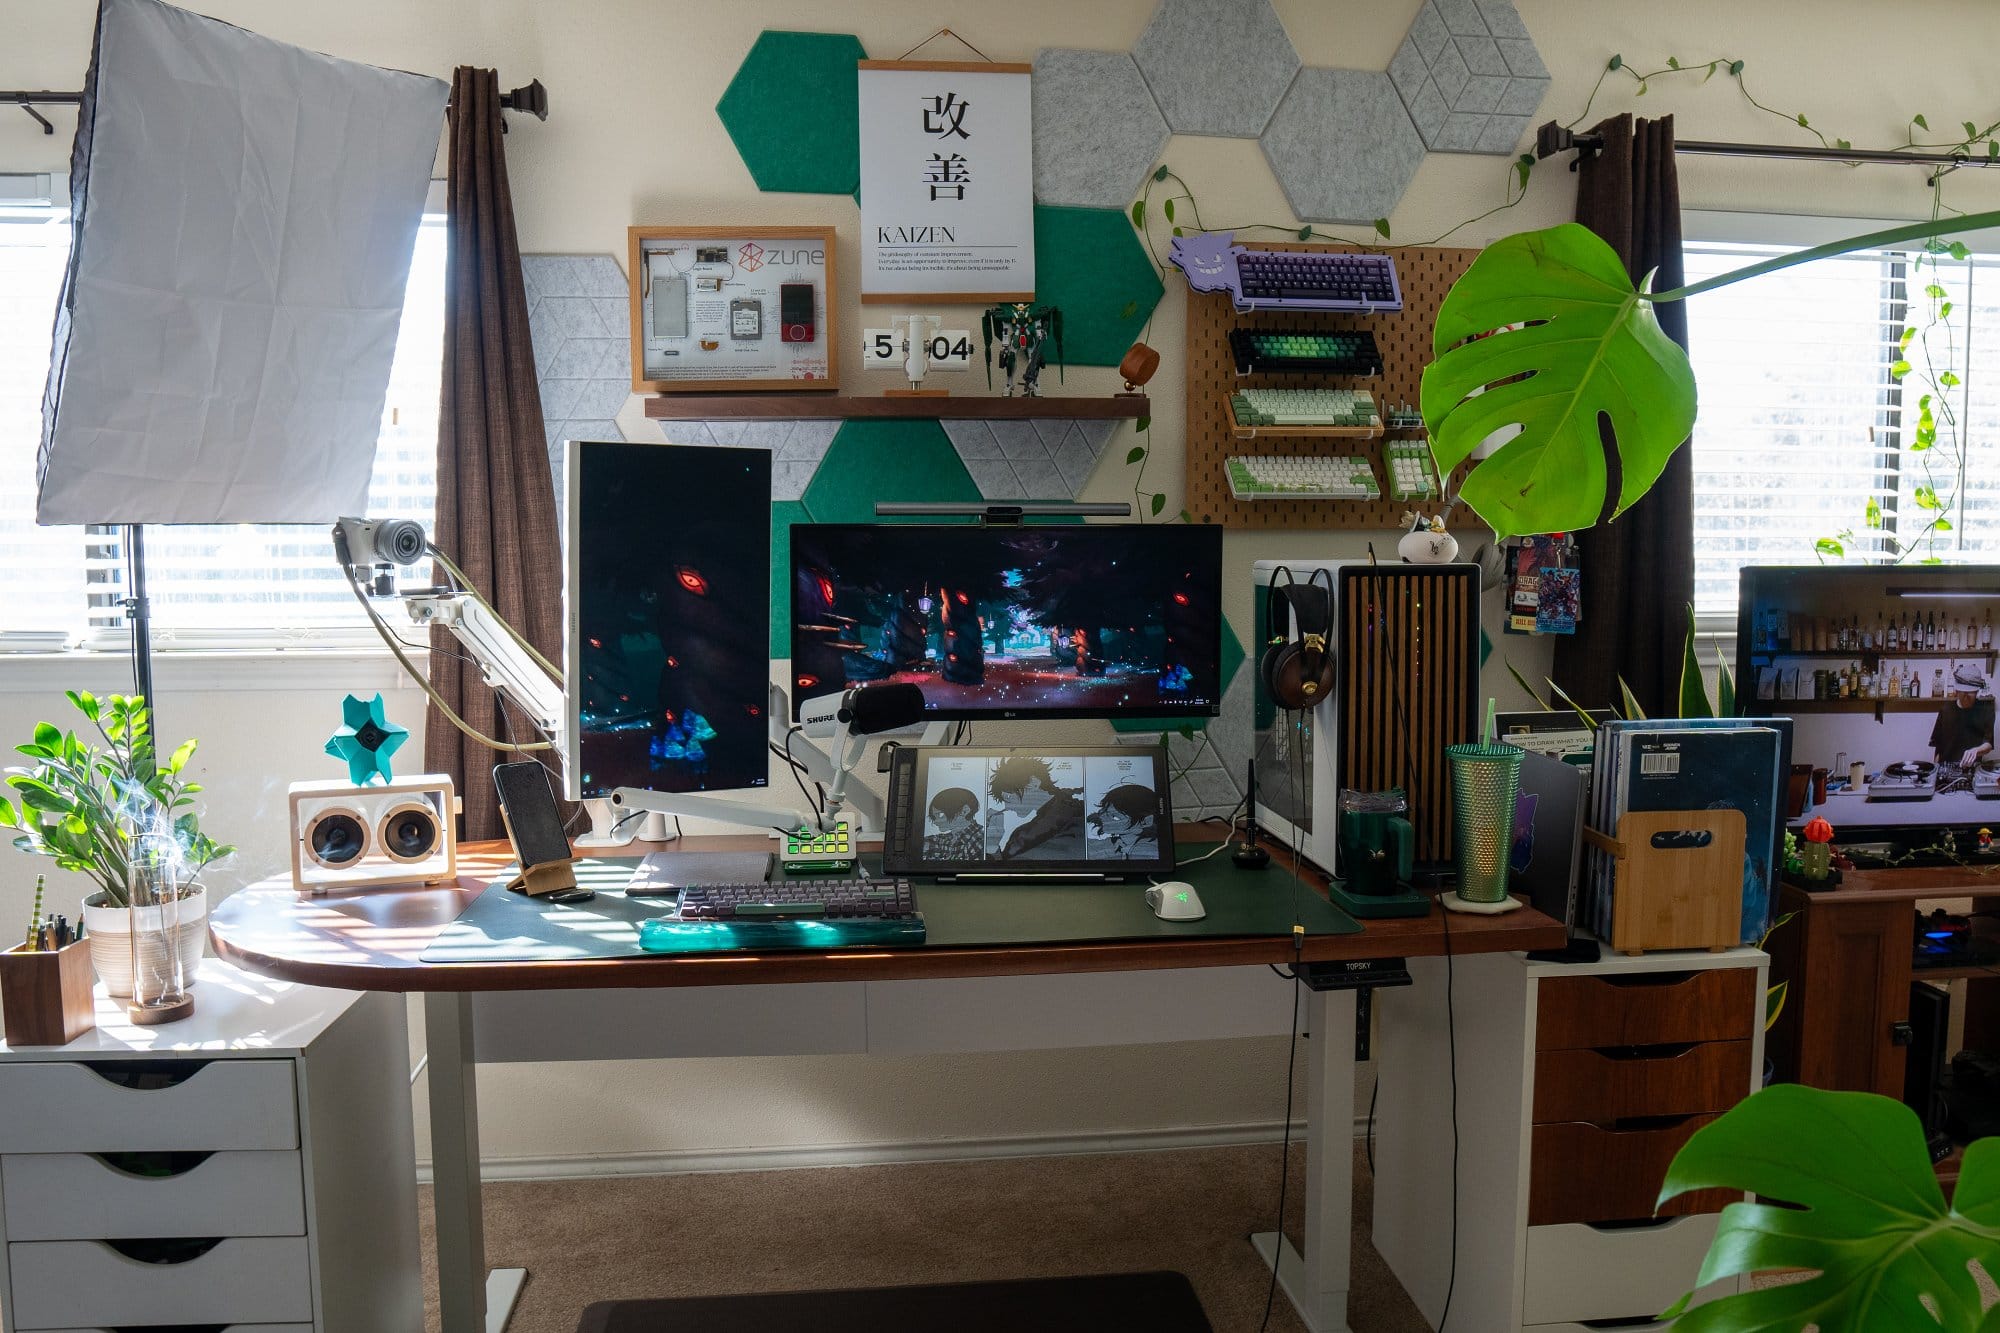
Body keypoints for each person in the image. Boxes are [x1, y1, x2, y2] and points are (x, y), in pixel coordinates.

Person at [988, 756, 1084, 861]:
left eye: (1008, 797)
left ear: (1033, 783)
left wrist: (992, 846)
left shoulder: (1024, 836)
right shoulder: (1071, 808)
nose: (1007, 806)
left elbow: (1007, 866)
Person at [1930, 662, 1995, 768]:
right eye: (1963, 692)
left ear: (1977, 691)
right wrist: (1935, 772)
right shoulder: (1946, 710)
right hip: (1946, 768)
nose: (1966, 696)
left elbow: (1988, 743)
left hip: (1972, 768)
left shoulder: (1986, 710)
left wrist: (1976, 751)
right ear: (1957, 690)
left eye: (1971, 692)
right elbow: (1938, 747)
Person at [1087, 783, 1160, 860]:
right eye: (1102, 812)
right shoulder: (1119, 842)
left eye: (1115, 817)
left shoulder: (1146, 849)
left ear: (1146, 821)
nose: (1102, 818)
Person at [923, 787, 984, 862]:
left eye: (940, 814)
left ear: (964, 811)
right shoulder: (943, 840)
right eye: (934, 816)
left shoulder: (978, 840)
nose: (935, 821)